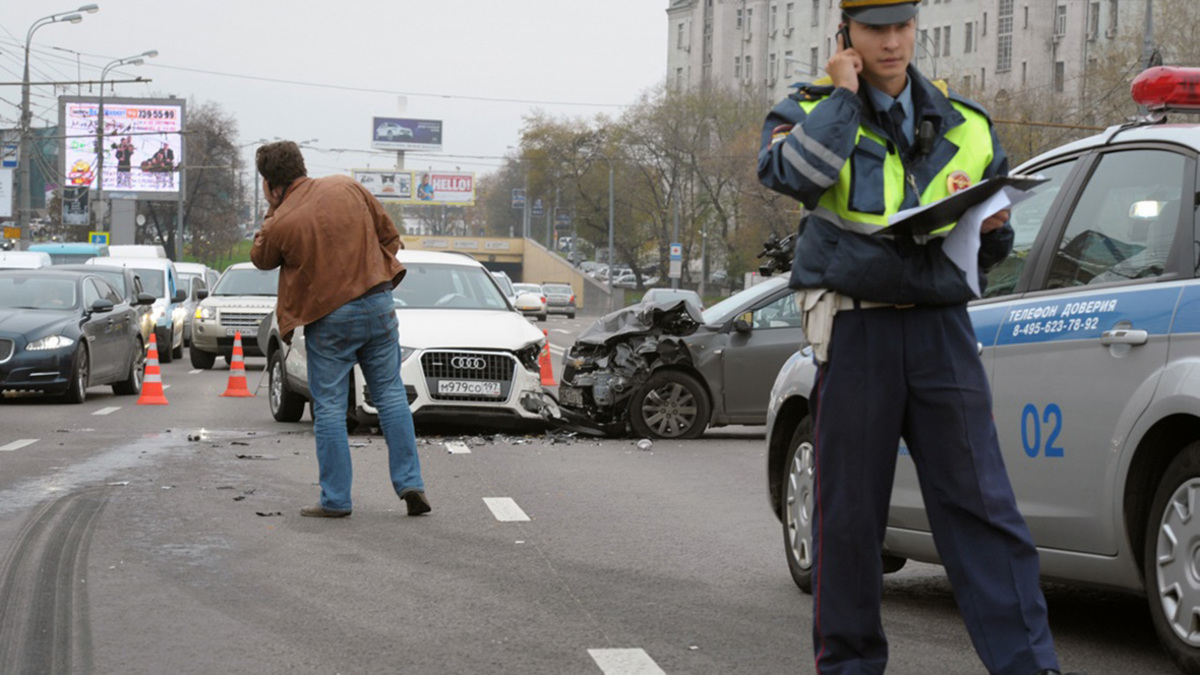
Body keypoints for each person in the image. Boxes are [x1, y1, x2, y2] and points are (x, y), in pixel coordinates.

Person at [757, 2, 1069, 674]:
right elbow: (792, 175)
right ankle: (851, 665)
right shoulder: (807, 111)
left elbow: (991, 241)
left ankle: (1029, 666)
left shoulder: (967, 124)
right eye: (875, 29)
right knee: (848, 521)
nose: (892, 42)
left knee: (984, 509)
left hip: (940, 331)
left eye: (902, 27)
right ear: (846, 34)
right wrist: (843, 96)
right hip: (856, 328)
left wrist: (993, 234)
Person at [250, 140, 431, 518]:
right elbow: (389, 235)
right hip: (379, 304)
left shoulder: (282, 221)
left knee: (330, 406)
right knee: (391, 395)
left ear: (270, 183)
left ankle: (336, 499)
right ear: (301, 165)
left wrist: (272, 207)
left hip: (330, 317)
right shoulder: (347, 186)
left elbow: (261, 258)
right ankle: (410, 482)